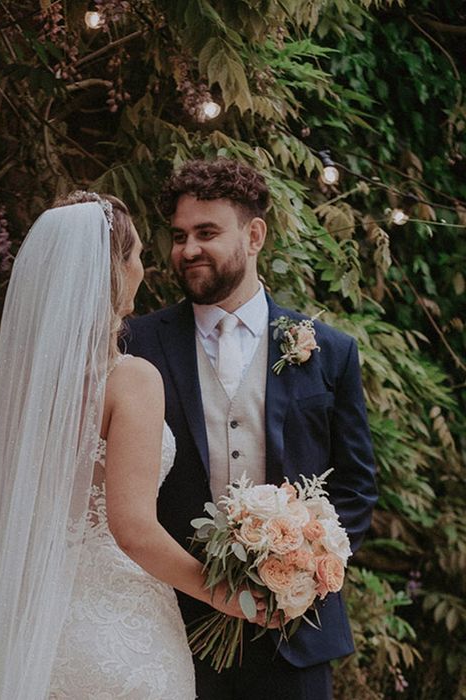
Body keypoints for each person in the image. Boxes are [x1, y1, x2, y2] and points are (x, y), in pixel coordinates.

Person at [0, 191, 274, 700]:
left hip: (34, 628)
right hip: (120, 633)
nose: (145, 267)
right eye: (138, 254)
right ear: (114, 270)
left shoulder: (31, 392)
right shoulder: (131, 379)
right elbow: (134, 530)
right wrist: (228, 596)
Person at [125, 158, 378, 700]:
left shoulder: (328, 351)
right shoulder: (137, 344)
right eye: (178, 236)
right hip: (178, 626)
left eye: (207, 232)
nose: (187, 249)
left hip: (298, 633)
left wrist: (311, 567)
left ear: (255, 235)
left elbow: (356, 486)